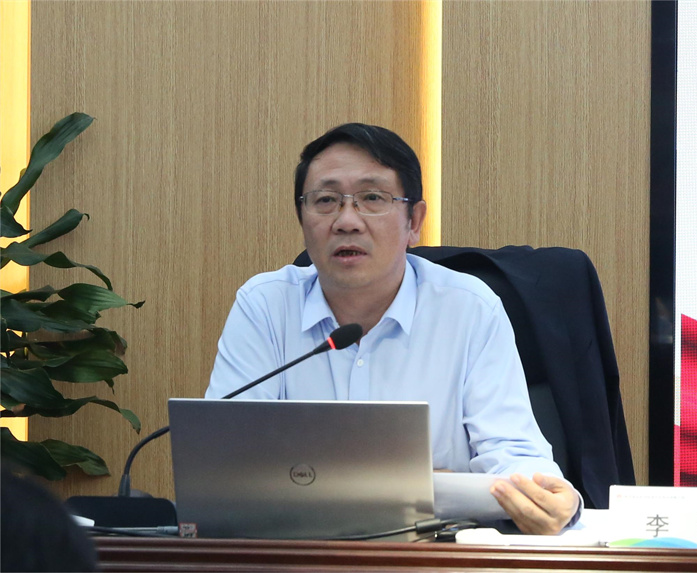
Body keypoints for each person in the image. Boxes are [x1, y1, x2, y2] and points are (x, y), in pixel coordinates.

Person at [206, 123, 580, 534]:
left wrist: (549, 497)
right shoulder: (265, 306)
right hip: (297, 549)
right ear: (302, 218)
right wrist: (423, 483)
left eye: (372, 198)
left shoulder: (470, 309)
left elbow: (512, 451)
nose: (347, 221)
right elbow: (226, 462)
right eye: (326, 200)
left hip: (435, 551)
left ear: (414, 221)